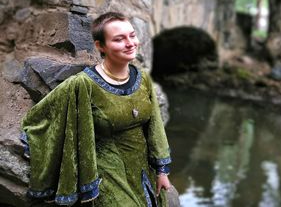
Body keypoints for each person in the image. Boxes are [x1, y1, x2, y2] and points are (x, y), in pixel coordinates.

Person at [20, 12, 172, 206]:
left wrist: (161, 171)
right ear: (101, 46)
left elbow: (155, 127)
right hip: (108, 168)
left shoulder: (143, 79)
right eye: (119, 39)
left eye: (132, 35)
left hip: (144, 168)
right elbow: (40, 116)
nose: (130, 43)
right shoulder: (83, 84)